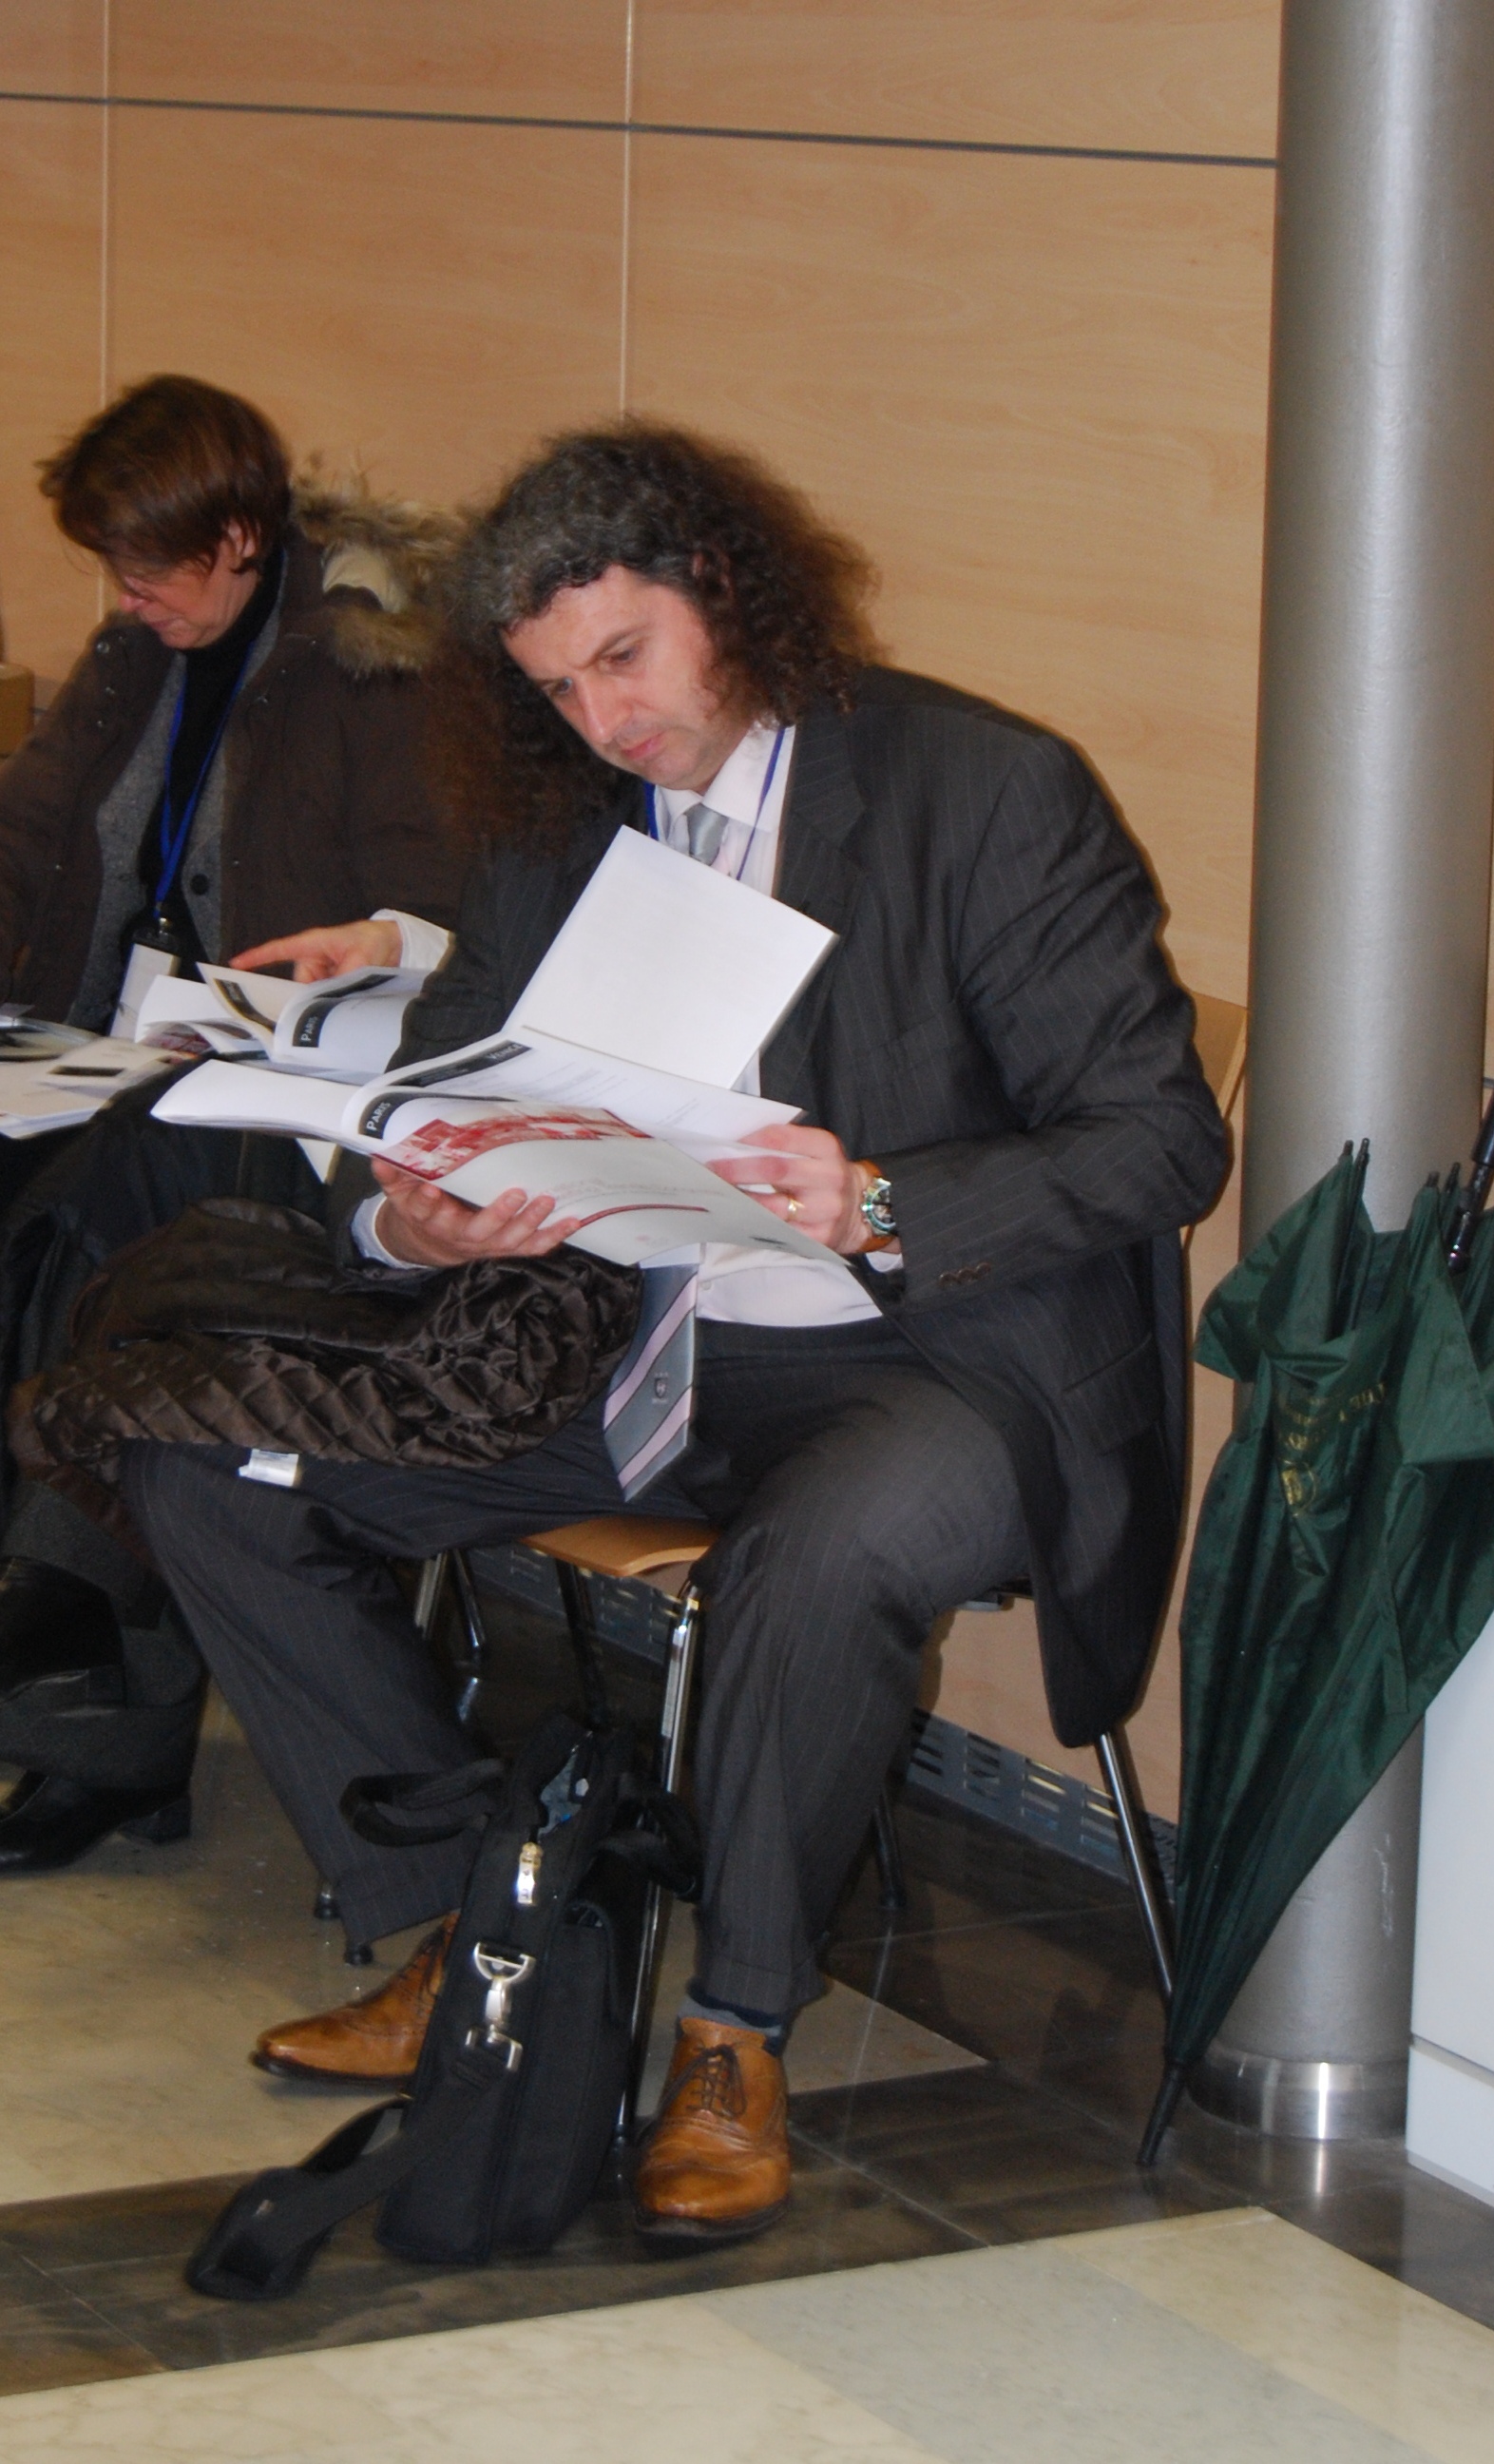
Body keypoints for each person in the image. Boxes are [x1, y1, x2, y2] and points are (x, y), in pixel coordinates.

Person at [121, 423, 1227, 2243]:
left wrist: (880, 1199)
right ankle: (486, 1929)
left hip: (933, 1354)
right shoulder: (559, 814)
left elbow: (1163, 1143)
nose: (604, 722)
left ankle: (737, 2030)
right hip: (629, 1337)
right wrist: (415, 1208)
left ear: (726, 589)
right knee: (207, 1465)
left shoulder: (983, 789)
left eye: (625, 660)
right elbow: (448, 1075)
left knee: (820, 1555)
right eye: (559, 690)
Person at [0, 375, 466, 1875]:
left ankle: (91, 1703)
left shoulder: (371, 668)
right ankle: (47, 1648)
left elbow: (450, 912)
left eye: (150, 567)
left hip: (295, 1111)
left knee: (107, 1238)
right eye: (113, 567)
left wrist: (364, 947)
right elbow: (27, 833)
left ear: (243, 538)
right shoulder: (138, 649)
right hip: (117, 1056)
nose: (126, 596)